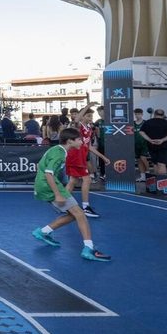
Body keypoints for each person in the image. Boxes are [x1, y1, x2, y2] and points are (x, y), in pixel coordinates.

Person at [33, 128, 112, 260]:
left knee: (74, 215)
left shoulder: (57, 150)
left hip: (44, 186)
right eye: (79, 139)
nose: (82, 142)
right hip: (49, 187)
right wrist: (57, 194)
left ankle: (43, 232)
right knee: (80, 214)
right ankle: (89, 249)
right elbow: (48, 173)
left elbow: (40, 167)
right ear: (70, 141)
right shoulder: (59, 153)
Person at [69, 108, 105, 216]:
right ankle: (85, 207)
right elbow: (76, 120)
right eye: (88, 116)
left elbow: (89, 146)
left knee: (73, 181)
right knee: (87, 179)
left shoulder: (89, 129)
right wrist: (88, 105)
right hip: (76, 156)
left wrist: (102, 157)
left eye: (91, 116)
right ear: (83, 116)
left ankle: (62, 203)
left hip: (81, 157)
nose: (91, 118)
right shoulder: (78, 127)